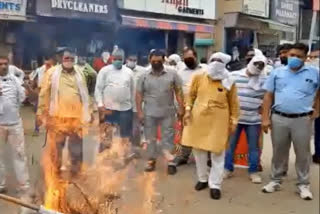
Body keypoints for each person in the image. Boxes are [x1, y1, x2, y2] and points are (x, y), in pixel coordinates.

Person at [261, 43, 319, 200]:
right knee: (279, 151)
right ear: (287, 55)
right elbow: (268, 96)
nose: (294, 58)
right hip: (279, 117)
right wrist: (265, 118)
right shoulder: (277, 72)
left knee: (303, 153)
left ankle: (303, 184)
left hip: (302, 119)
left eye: (299, 56)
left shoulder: (315, 73)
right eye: (292, 55)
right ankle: (275, 180)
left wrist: (317, 109)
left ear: (305, 58)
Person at [181, 52, 239, 200]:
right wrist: (187, 110)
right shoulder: (199, 76)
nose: (216, 62)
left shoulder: (229, 80)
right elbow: (190, 96)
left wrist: (234, 121)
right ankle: (202, 179)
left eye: (219, 61)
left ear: (224, 63)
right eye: (213, 60)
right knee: (198, 150)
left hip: (219, 120)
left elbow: (234, 103)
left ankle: (215, 185)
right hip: (198, 118)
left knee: (217, 152)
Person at [37, 49, 91, 177]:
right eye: (66, 58)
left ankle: (76, 174)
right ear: (61, 58)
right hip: (57, 118)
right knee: (56, 149)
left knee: (76, 150)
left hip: (76, 119)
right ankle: (55, 175)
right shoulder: (51, 73)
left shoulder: (80, 72)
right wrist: (40, 113)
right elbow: (43, 94)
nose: (69, 61)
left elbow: (85, 94)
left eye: (71, 58)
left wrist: (89, 111)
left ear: (75, 59)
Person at [136, 49, 184, 175]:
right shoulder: (144, 75)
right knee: (150, 138)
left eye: (159, 60)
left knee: (168, 138)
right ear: (149, 60)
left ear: (164, 60)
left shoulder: (173, 74)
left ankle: (170, 162)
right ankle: (151, 160)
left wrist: (181, 107)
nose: (156, 63)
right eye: (154, 61)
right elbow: (139, 94)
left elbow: (179, 91)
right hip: (149, 113)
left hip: (168, 112)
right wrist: (139, 111)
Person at [224, 55, 268, 184]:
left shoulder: (264, 79)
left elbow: (268, 97)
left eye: (261, 66)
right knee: (230, 145)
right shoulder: (234, 76)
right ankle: (227, 168)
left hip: (254, 120)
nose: (258, 68)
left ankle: (253, 171)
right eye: (256, 65)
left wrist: (264, 110)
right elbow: (225, 93)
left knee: (253, 147)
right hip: (235, 119)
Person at [0, 55, 30, 195]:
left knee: (19, 155)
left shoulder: (15, 81)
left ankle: (23, 185)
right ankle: (1, 185)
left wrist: (25, 89)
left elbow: (22, 98)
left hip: (15, 124)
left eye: (5, 64)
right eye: (0, 64)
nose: (3, 66)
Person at [95, 48, 134, 156]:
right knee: (106, 134)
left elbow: (132, 90)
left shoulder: (129, 72)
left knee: (125, 134)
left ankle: (125, 155)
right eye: (115, 58)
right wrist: (100, 104)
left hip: (125, 109)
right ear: (112, 58)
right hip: (108, 109)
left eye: (120, 59)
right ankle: (104, 155)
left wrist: (134, 109)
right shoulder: (105, 71)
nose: (117, 61)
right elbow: (98, 89)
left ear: (124, 59)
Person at [174, 47, 204, 167]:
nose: (188, 60)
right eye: (185, 59)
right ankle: (184, 156)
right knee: (185, 132)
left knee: (202, 132)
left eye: (190, 58)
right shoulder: (180, 72)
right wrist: (179, 107)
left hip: (202, 107)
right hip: (185, 107)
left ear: (196, 57)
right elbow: (177, 91)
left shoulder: (204, 71)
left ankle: (204, 158)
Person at [30, 53, 57, 135]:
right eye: (46, 60)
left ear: (52, 61)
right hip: (41, 93)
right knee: (39, 112)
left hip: (52, 93)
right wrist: (34, 88)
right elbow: (32, 79)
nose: (47, 62)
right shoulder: (39, 70)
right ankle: (36, 129)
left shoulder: (55, 70)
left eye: (49, 60)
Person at [125, 54, 146, 151]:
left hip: (137, 104)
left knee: (136, 128)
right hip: (123, 104)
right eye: (131, 59)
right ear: (126, 60)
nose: (132, 61)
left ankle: (135, 148)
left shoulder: (142, 71)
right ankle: (124, 147)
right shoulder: (122, 70)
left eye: (134, 60)